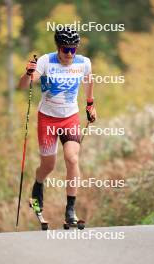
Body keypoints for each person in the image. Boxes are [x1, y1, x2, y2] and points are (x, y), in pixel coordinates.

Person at [18, 26, 97, 224]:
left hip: (70, 117)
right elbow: (23, 86)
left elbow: (89, 81)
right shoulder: (46, 61)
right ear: (58, 47)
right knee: (48, 166)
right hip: (47, 118)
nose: (69, 54)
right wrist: (27, 73)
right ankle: (37, 186)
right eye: (65, 49)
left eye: (73, 49)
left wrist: (90, 104)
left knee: (72, 159)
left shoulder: (84, 63)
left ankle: (70, 210)